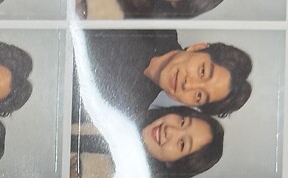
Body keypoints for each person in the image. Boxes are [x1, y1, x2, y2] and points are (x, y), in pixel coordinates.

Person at [77, 31, 253, 117]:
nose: (188, 84)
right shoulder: (153, 15)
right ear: (197, 47)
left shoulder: (128, 110)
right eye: (202, 71)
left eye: (199, 95)